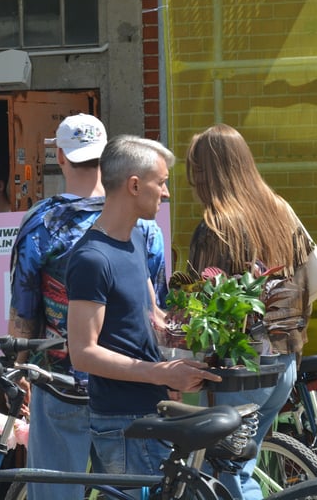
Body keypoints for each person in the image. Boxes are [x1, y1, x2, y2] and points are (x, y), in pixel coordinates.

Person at [8, 115, 169, 500]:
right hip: (126, 386)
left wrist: (20, 371)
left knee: (55, 490)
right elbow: (156, 309)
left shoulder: (42, 222)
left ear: (60, 156)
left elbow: (24, 308)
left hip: (61, 380)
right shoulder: (143, 224)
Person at [66, 135, 220, 488]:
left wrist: (188, 350)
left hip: (148, 411)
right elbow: (83, 353)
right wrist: (162, 373)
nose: (166, 193)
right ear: (134, 185)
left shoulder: (135, 239)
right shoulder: (92, 259)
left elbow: (153, 317)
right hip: (124, 421)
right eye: (161, 183)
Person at [186, 123, 317, 500]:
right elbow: (310, 280)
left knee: (226, 476)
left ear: (207, 172)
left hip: (240, 371)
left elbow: (204, 311)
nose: (192, 182)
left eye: (195, 171)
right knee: (242, 466)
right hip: (285, 363)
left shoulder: (216, 226)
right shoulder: (280, 211)